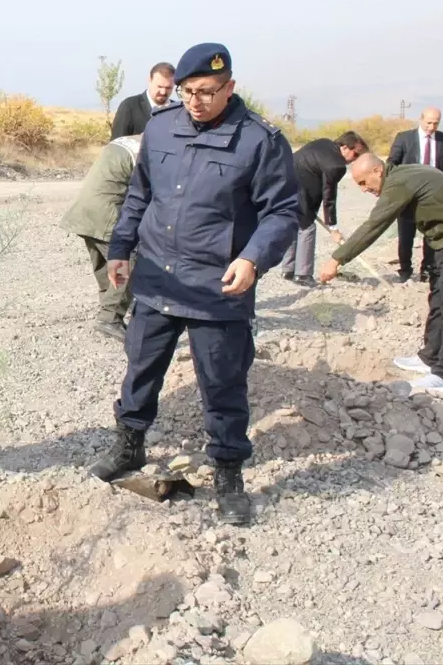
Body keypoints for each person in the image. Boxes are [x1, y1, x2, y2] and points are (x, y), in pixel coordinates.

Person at [88, 43, 299, 527]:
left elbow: (282, 211)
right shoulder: (161, 127)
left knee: (222, 383)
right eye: (187, 92)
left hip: (218, 288)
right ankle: (129, 446)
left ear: (230, 87)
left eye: (206, 92)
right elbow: (140, 194)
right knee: (140, 369)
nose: (195, 102)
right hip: (158, 278)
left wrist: (253, 258)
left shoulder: (259, 140)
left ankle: (228, 472)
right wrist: (120, 248)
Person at [318, 153, 443, 396]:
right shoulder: (401, 175)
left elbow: (374, 225)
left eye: (363, 182)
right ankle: (430, 357)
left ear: (377, 171)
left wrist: (336, 259)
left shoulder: (398, 183)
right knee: (439, 300)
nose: (363, 189)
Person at [58, 132, 145, 340]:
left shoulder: (124, 142)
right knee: (129, 261)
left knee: (104, 264)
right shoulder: (145, 150)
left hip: (83, 211)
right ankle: (110, 318)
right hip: (106, 213)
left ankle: (108, 308)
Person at [280, 131, 370, 287]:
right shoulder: (337, 165)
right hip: (300, 190)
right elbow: (329, 195)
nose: (354, 159)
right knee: (307, 228)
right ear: (345, 147)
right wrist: (333, 227)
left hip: (284, 183)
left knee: (295, 225)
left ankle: (288, 270)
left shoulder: (323, 142)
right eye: (355, 154)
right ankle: (303, 275)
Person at [386, 108, 443, 282]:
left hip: (434, 197)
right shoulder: (404, 138)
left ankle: (427, 270)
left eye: (436, 123)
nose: (432, 127)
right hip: (408, 196)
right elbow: (391, 164)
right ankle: (405, 270)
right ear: (421, 119)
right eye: (428, 123)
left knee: (432, 235)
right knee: (406, 236)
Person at [110, 62, 176, 140]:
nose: (163, 92)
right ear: (150, 80)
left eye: (168, 88)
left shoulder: (178, 111)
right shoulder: (129, 107)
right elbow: (117, 144)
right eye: (159, 86)